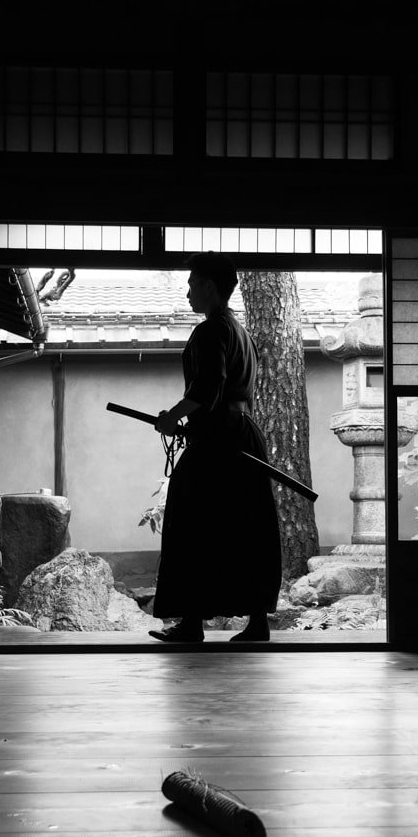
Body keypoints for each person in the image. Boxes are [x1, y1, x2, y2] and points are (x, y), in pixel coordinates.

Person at [148, 252, 282, 643]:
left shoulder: (211, 331)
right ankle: (256, 622)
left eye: (192, 284)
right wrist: (184, 418)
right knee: (246, 527)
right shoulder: (238, 330)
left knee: (193, 524)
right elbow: (218, 392)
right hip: (240, 436)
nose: (188, 292)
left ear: (209, 285)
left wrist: (174, 416)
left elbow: (207, 389)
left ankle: (191, 624)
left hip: (219, 443)